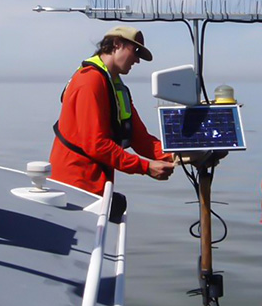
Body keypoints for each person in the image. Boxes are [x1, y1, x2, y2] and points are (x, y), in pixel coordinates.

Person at [50, 26, 175, 208]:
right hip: (74, 188)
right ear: (117, 44)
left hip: (97, 186)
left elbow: (140, 139)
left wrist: (178, 154)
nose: (137, 60)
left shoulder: (116, 86)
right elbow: (97, 145)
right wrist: (145, 167)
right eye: (135, 51)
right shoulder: (89, 81)